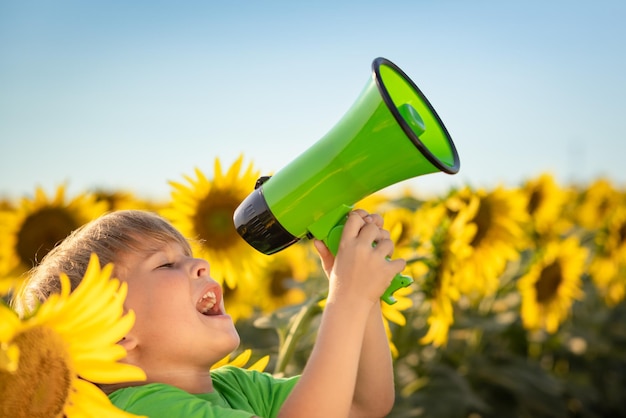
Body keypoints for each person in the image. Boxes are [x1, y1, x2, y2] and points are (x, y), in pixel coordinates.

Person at [13, 208, 405, 418]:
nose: (200, 264)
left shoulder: (237, 388)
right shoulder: (139, 411)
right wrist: (347, 299)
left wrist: (362, 295)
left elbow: (361, 404)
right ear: (115, 333)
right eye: (165, 265)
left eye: (190, 254)